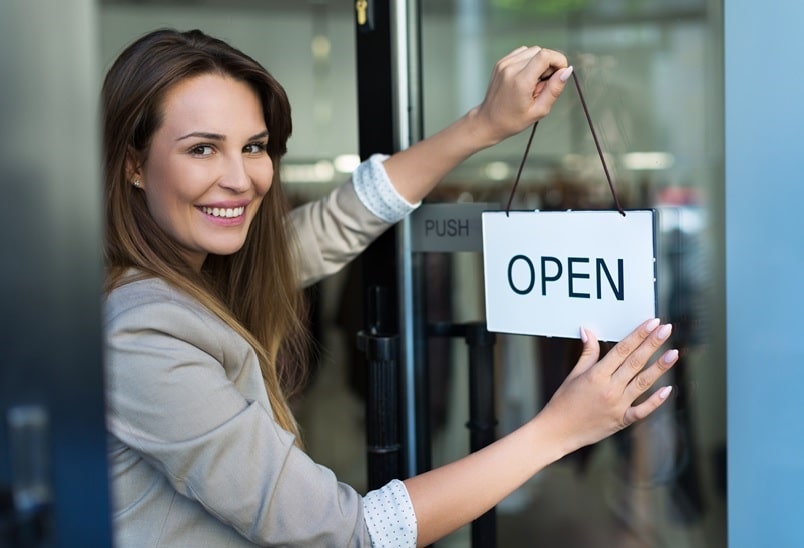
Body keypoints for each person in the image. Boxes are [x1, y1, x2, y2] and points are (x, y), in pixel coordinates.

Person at [103, 28, 678, 547]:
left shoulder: (204, 274)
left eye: (253, 146)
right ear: (133, 164)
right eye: (202, 148)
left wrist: (484, 123)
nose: (239, 178)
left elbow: (338, 220)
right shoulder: (143, 329)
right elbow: (341, 532)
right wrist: (557, 431)